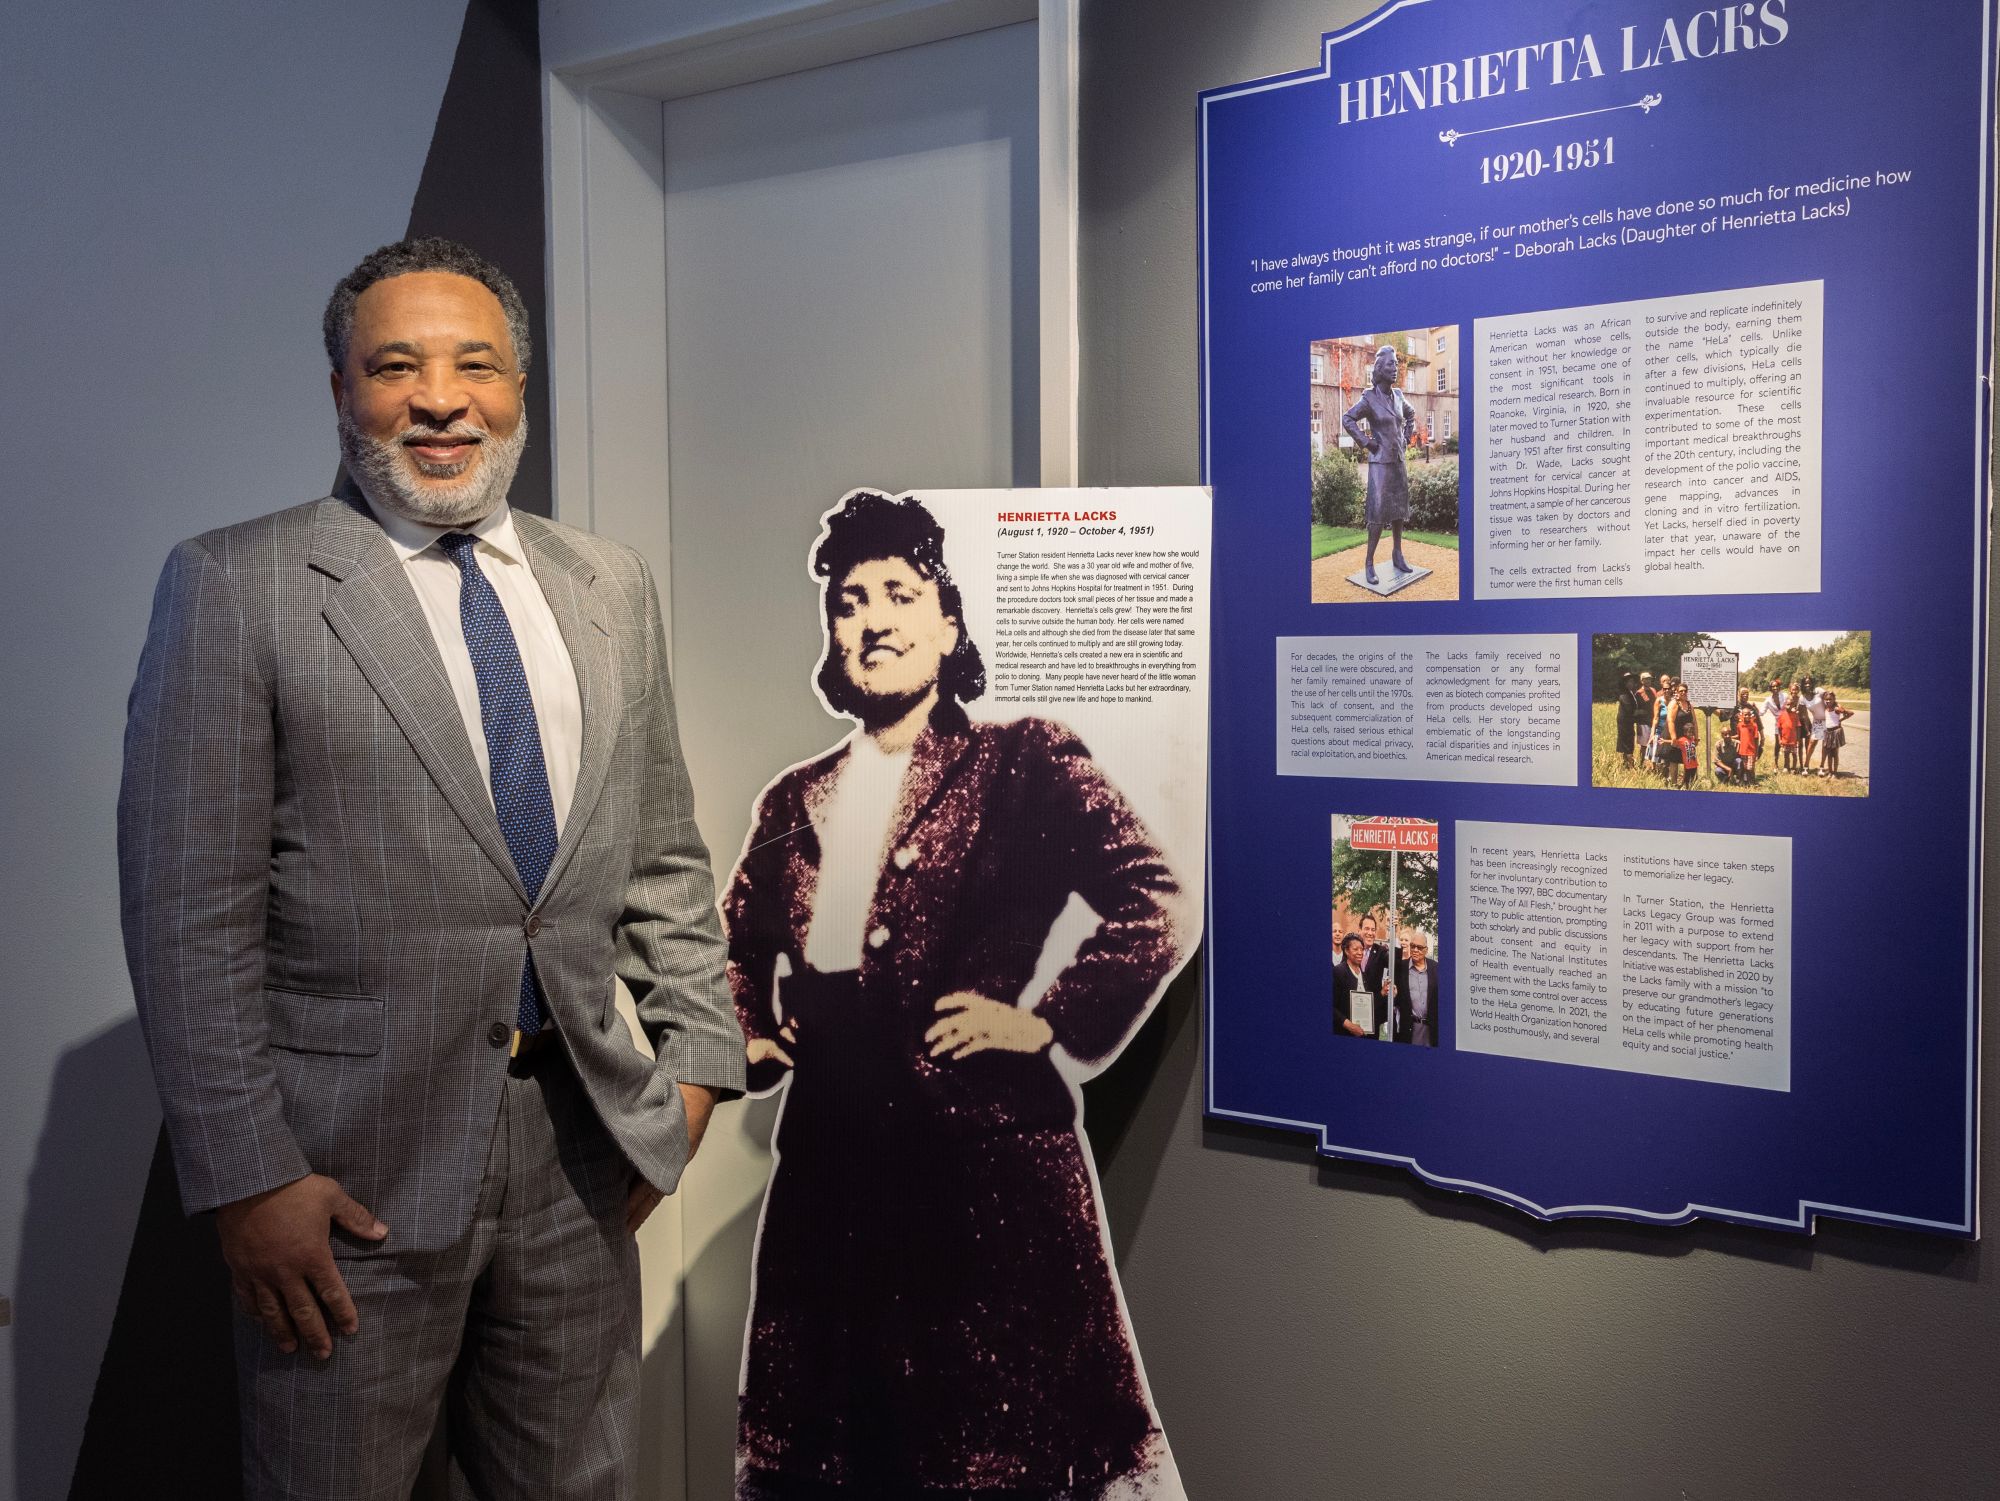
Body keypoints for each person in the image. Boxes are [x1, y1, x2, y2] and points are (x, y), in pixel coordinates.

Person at [118, 238, 745, 1499]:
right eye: (395, 366)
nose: (441, 398)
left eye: (478, 366)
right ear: (342, 391)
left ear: (521, 388)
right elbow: (187, 912)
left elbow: (665, 856)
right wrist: (250, 1181)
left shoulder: (607, 584)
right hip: (345, 1186)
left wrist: (696, 1066)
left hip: (582, 1158)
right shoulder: (237, 585)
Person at [724, 491, 1189, 1498]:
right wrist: (752, 1032)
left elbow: (1157, 895)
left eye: (900, 592)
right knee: (839, 1466)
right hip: (830, 1196)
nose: (875, 619)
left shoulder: (1020, 761)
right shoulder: (791, 799)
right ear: (833, 634)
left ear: (947, 620)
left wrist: (1048, 1018)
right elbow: (723, 943)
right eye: (850, 602)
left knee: (992, 1466)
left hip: (985, 1189)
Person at [1340, 343, 1418, 585]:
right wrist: (1367, 443)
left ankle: (1397, 554)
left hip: (1398, 462)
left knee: (1398, 512)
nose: (1395, 369)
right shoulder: (1369, 398)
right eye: (1391, 364)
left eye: (1396, 364)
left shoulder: (1399, 396)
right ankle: (1369, 563)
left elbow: (1411, 415)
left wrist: (1406, 438)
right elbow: (1348, 418)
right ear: (1380, 369)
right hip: (1380, 465)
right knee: (1377, 514)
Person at [1393, 932, 1441, 1046]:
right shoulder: (1401, 968)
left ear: (1426, 949)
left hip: (1431, 1031)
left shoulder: (1436, 968)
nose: (1415, 950)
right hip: (1409, 1030)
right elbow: (1395, 998)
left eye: (1419, 947)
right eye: (1412, 946)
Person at [1332, 933, 1380, 1038]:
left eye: (1361, 949)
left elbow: (1369, 1003)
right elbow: (1330, 1007)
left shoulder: (1364, 975)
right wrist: (1349, 1025)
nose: (1360, 953)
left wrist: (1383, 992)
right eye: (1355, 949)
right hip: (1344, 1034)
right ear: (1346, 951)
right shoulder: (1338, 972)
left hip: (1363, 1034)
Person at [1820, 689, 1853, 778]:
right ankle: (1830, 772)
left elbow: (1851, 713)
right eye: (1826, 699)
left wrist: (1841, 719)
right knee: (1829, 754)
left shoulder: (1836, 709)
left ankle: (1835, 772)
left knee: (1835, 753)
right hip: (1828, 732)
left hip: (1835, 732)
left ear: (1834, 699)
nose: (1828, 701)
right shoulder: (1826, 708)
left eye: (1830, 699)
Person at [1615, 671, 1642, 768]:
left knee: (1627, 743)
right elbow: (1630, 710)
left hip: (1628, 722)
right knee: (1628, 744)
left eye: (1632, 681)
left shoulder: (1630, 693)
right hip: (1625, 724)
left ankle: (1626, 764)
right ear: (1625, 683)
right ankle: (1630, 766)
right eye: (1629, 682)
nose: (1631, 683)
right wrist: (1641, 712)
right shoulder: (1624, 695)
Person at [1778, 689, 1804, 773]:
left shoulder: (1795, 715)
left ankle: (1793, 768)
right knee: (1786, 755)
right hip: (1785, 740)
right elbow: (1779, 729)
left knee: (1794, 754)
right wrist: (1780, 739)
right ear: (1785, 705)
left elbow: (1798, 727)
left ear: (1793, 705)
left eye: (1791, 705)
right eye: (1787, 705)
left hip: (1793, 740)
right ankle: (1786, 767)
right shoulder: (1781, 715)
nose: (1789, 706)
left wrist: (1798, 739)